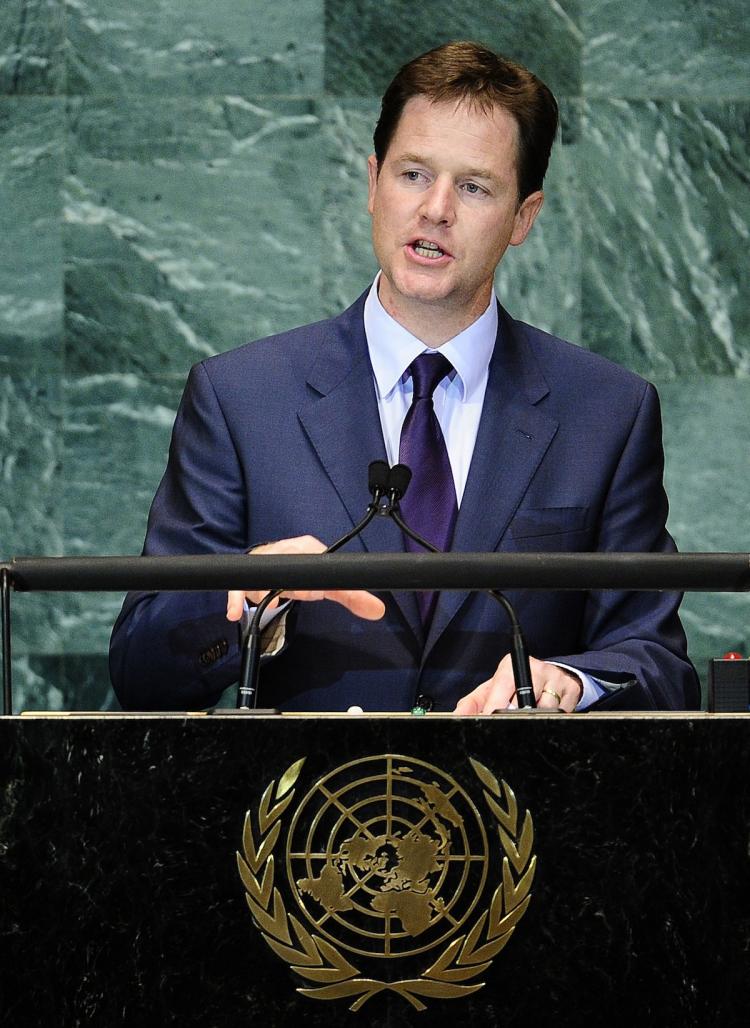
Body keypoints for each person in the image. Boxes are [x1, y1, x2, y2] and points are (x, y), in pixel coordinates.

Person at [109, 41, 699, 714]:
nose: (436, 209)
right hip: (308, 785)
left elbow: (656, 663)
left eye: (474, 187)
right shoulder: (240, 400)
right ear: (373, 183)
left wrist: (569, 681)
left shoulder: (607, 413)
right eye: (413, 174)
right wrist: (247, 606)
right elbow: (139, 669)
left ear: (523, 217)